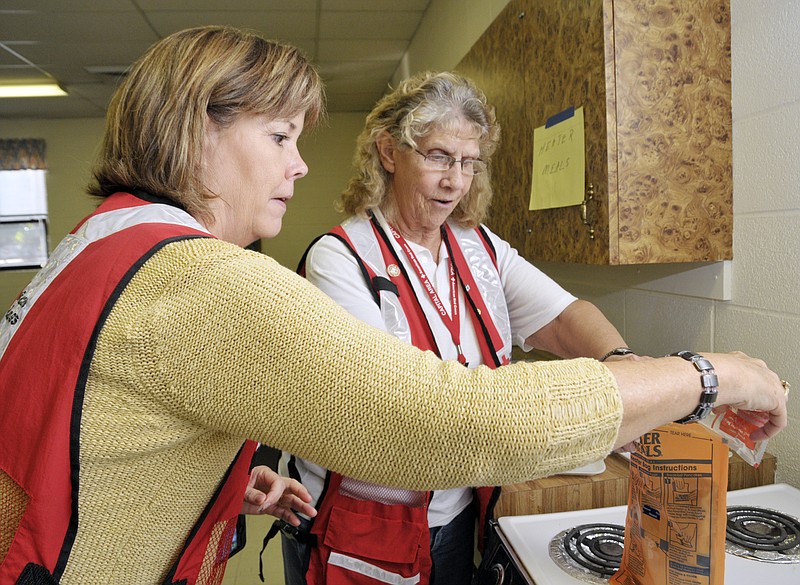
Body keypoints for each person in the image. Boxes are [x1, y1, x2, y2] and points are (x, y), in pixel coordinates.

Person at [0, 25, 786, 585]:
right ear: (192, 131)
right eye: (279, 136)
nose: (299, 164)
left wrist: (197, 471)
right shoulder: (202, 278)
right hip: (371, 521)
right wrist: (706, 374)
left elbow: (88, 427)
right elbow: (445, 420)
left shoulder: (102, 242)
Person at [279, 71, 637, 585]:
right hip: (359, 526)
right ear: (388, 151)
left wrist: (627, 372)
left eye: (469, 163)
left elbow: (564, 317)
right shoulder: (341, 258)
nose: (455, 181)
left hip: (457, 512)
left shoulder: (478, 245)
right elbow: (396, 410)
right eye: (439, 157)